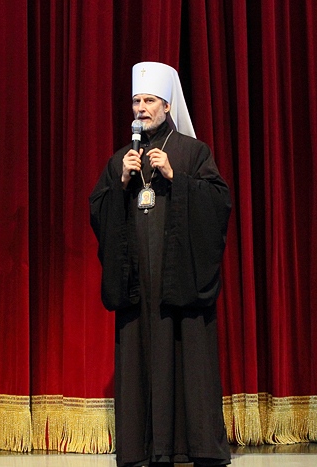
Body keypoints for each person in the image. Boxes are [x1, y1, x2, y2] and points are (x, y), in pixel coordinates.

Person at [89, 62, 232, 466]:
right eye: (136, 101)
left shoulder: (192, 152)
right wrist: (119, 185)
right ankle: (144, 448)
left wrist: (176, 178)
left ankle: (193, 446)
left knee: (187, 357)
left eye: (149, 100)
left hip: (178, 282)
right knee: (139, 359)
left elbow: (219, 203)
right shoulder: (122, 159)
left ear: (167, 106)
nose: (141, 108)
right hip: (138, 282)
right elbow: (97, 211)